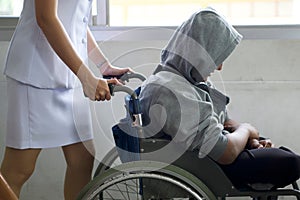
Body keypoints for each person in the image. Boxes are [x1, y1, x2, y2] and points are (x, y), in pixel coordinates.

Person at [139, 7, 300, 190]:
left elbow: (222, 123)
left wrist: (250, 139)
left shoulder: (177, 81)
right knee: (291, 162)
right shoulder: (171, 91)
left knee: (281, 154)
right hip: (207, 167)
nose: (220, 67)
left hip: (206, 160)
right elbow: (226, 153)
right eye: (216, 57)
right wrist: (246, 129)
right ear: (200, 54)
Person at [0, 0, 131, 199]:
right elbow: (46, 18)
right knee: (18, 170)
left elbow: (76, 20)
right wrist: (86, 78)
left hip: (69, 77)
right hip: (35, 75)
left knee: (82, 160)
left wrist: (103, 66)